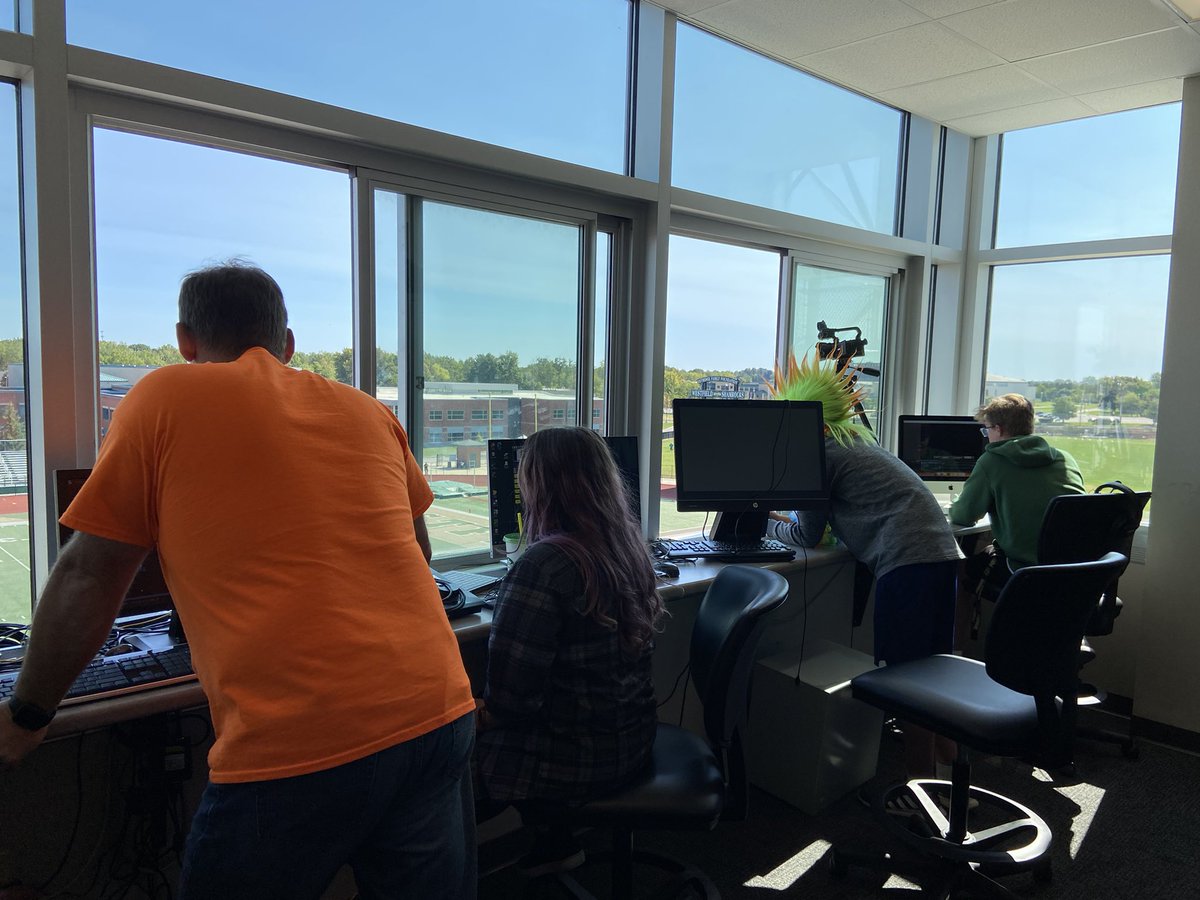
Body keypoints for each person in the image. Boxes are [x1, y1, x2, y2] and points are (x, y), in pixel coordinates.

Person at [0, 261, 477, 900]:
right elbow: (413, 553)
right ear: (288, 345)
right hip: (437, 708)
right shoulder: (367, 410)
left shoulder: (162, 396)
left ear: (185, 341)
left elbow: (90, 573)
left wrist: (28, 713)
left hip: (303, 735)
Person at [475, 426, 664, 877]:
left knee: (441, 745)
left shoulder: (545, 564)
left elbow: (510, 703)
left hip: (580, 760)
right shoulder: (627, 550)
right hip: (632, 741)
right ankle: (553, 838)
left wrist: (465, 715)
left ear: (540, 485)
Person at [765, 351, 961, 779]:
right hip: (941, 556)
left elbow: (805, 535)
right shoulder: (855, 444)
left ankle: (917, 789)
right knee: (933, 671)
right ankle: (949, 771)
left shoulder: (817, 456)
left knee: (907, 681)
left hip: (906, 562)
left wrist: (764, 520)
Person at [949, 393, 1085, 646]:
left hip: (1026, 569)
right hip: (1078, 570)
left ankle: (955, 655)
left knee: (958, 568)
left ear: (998, 429)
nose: (986, 435)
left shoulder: (992, 460)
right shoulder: (1065, 458)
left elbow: (963, 516)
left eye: (986, 429)